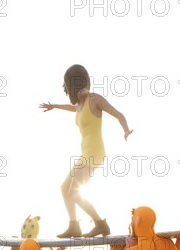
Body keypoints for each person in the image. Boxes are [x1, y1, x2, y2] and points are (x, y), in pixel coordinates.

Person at [40, 64, 133, 238]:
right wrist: (55, 106)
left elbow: (118, 114)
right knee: (64, 187)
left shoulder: (94, 99)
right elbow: (72, 109)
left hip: (95, 153)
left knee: (73, 192)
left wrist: (126, 130)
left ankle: (101, 224)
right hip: (85, 154)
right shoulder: (81, 105)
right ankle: (74, 226)